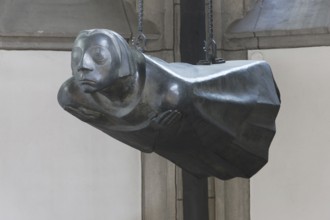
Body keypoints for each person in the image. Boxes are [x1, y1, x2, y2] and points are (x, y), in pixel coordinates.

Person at [58, 29, 280, 180]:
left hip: (198, 98)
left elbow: (151, 139)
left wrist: (154, 132)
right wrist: (154, 131)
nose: (82, 66)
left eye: (98, 57)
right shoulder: (73, 96)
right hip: (177, 136)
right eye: (77, 56)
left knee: (229, 140)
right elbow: (142, 142)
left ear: (121, 61)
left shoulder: (169, 93)